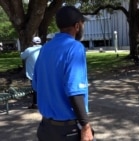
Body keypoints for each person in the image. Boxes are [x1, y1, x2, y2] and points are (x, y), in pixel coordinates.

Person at [32, 6, 94, 141]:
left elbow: (36, 85)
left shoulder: (45, 49)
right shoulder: (75, 47)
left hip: (45, 128)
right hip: (67, 132)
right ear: (77, 26)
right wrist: (86, 126)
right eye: (83, 24)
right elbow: (75, 91)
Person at [20, 36, 42, 109]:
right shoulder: (44, 48)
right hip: (43, 72)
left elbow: (22, 56)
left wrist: (22, 51)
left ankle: (36, 104)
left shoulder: (29, 50)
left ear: (32, 42)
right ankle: (37, 103)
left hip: (32, 73)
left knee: (35, 88)